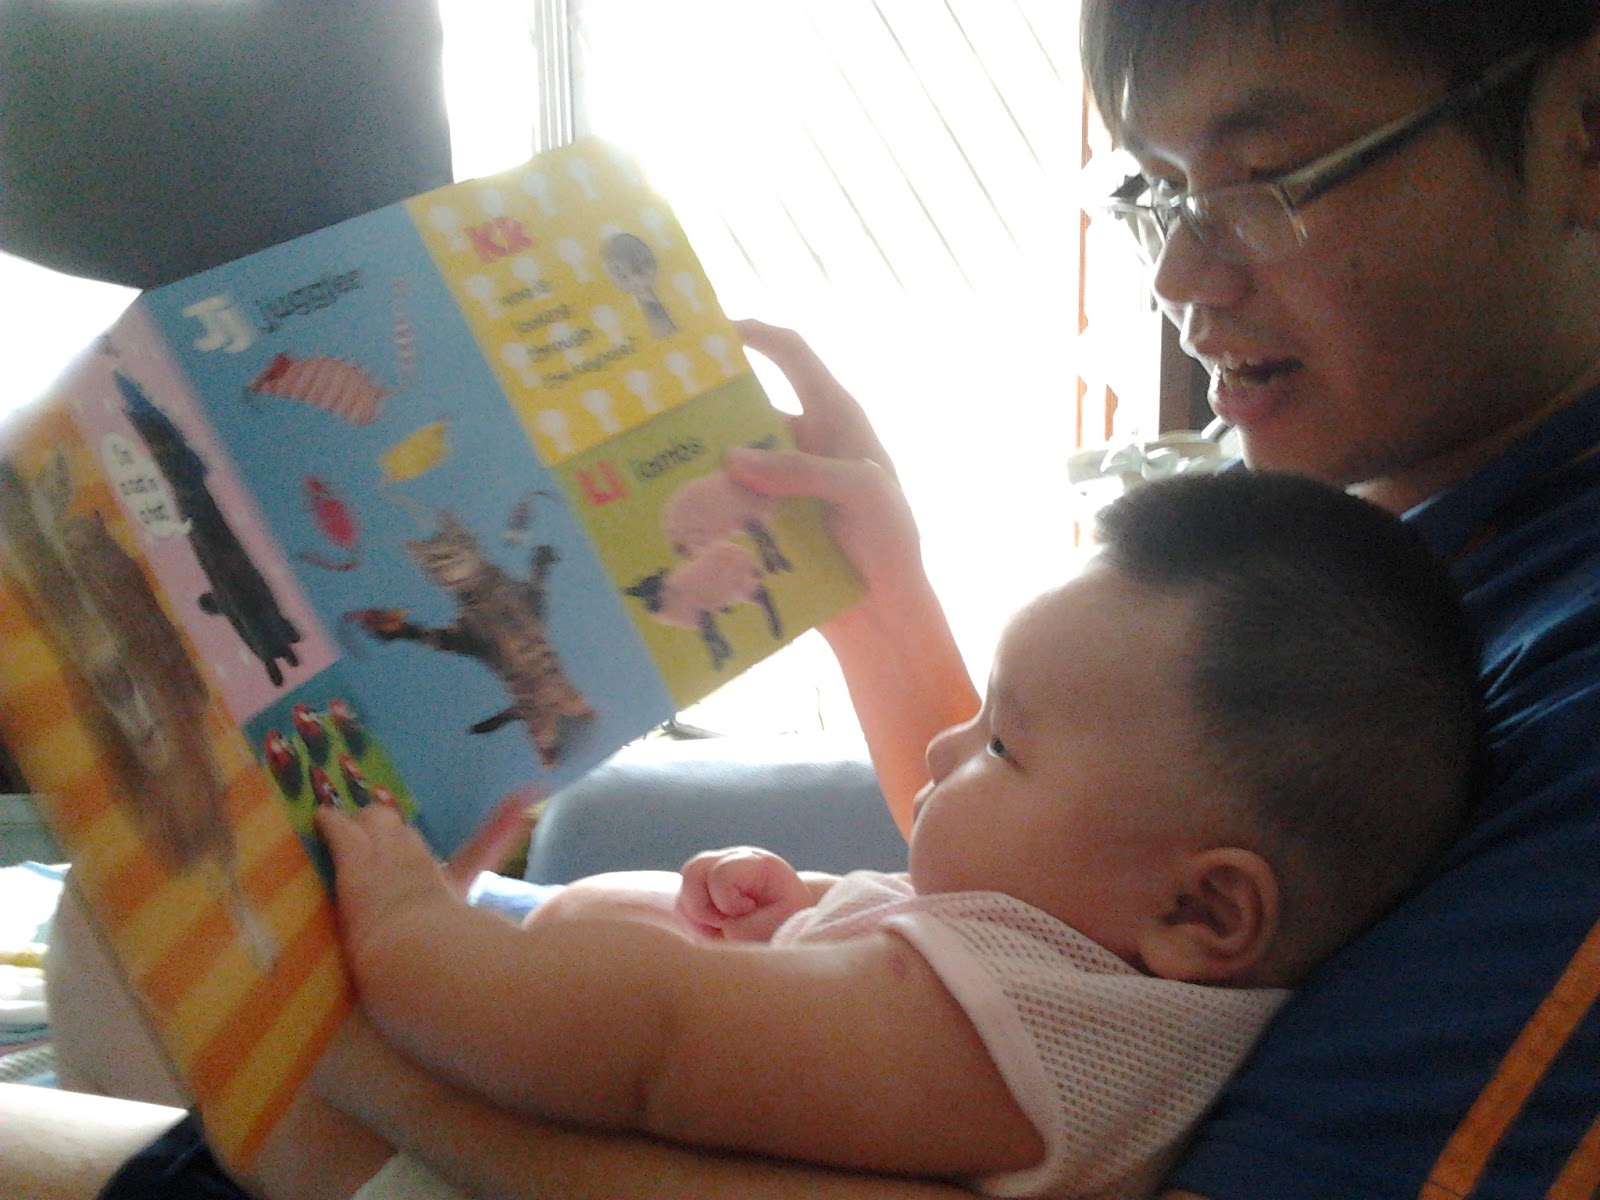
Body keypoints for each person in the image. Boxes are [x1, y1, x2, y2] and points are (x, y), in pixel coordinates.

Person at [7, 0, 1600, 1194]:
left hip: (477, 1133)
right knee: (115, 923)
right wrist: (876, 593)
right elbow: (1069, 894)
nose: (1183, 277)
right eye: (1158, 194)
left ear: (1583, 128)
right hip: (579, 1044)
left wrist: (362, 1050)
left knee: (138, 960)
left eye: (1272, 176)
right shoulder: (1366, 545)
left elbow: (744, 1054)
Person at [311, 469, 1479, 1200]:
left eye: (1002, 745)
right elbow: (872, 995)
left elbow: (655, 1042)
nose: (940, 751)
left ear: (1199, 911)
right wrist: (810, 907)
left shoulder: (1035, 1028)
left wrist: (411, 934)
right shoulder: (1094, 979)